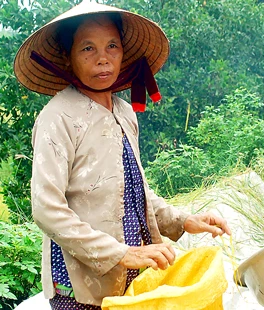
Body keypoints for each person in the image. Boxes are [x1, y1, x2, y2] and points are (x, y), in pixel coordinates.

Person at [14, 2, 231, 309]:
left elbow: (134, 190)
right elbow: (47, 209)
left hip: (131, 271)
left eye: (112, 46)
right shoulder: (58, 118)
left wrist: (184, 221)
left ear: (123, 52)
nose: (103, 59)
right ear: (68, 57)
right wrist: (120, 253)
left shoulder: (124, 112)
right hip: (79, 283)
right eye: (88, 48)